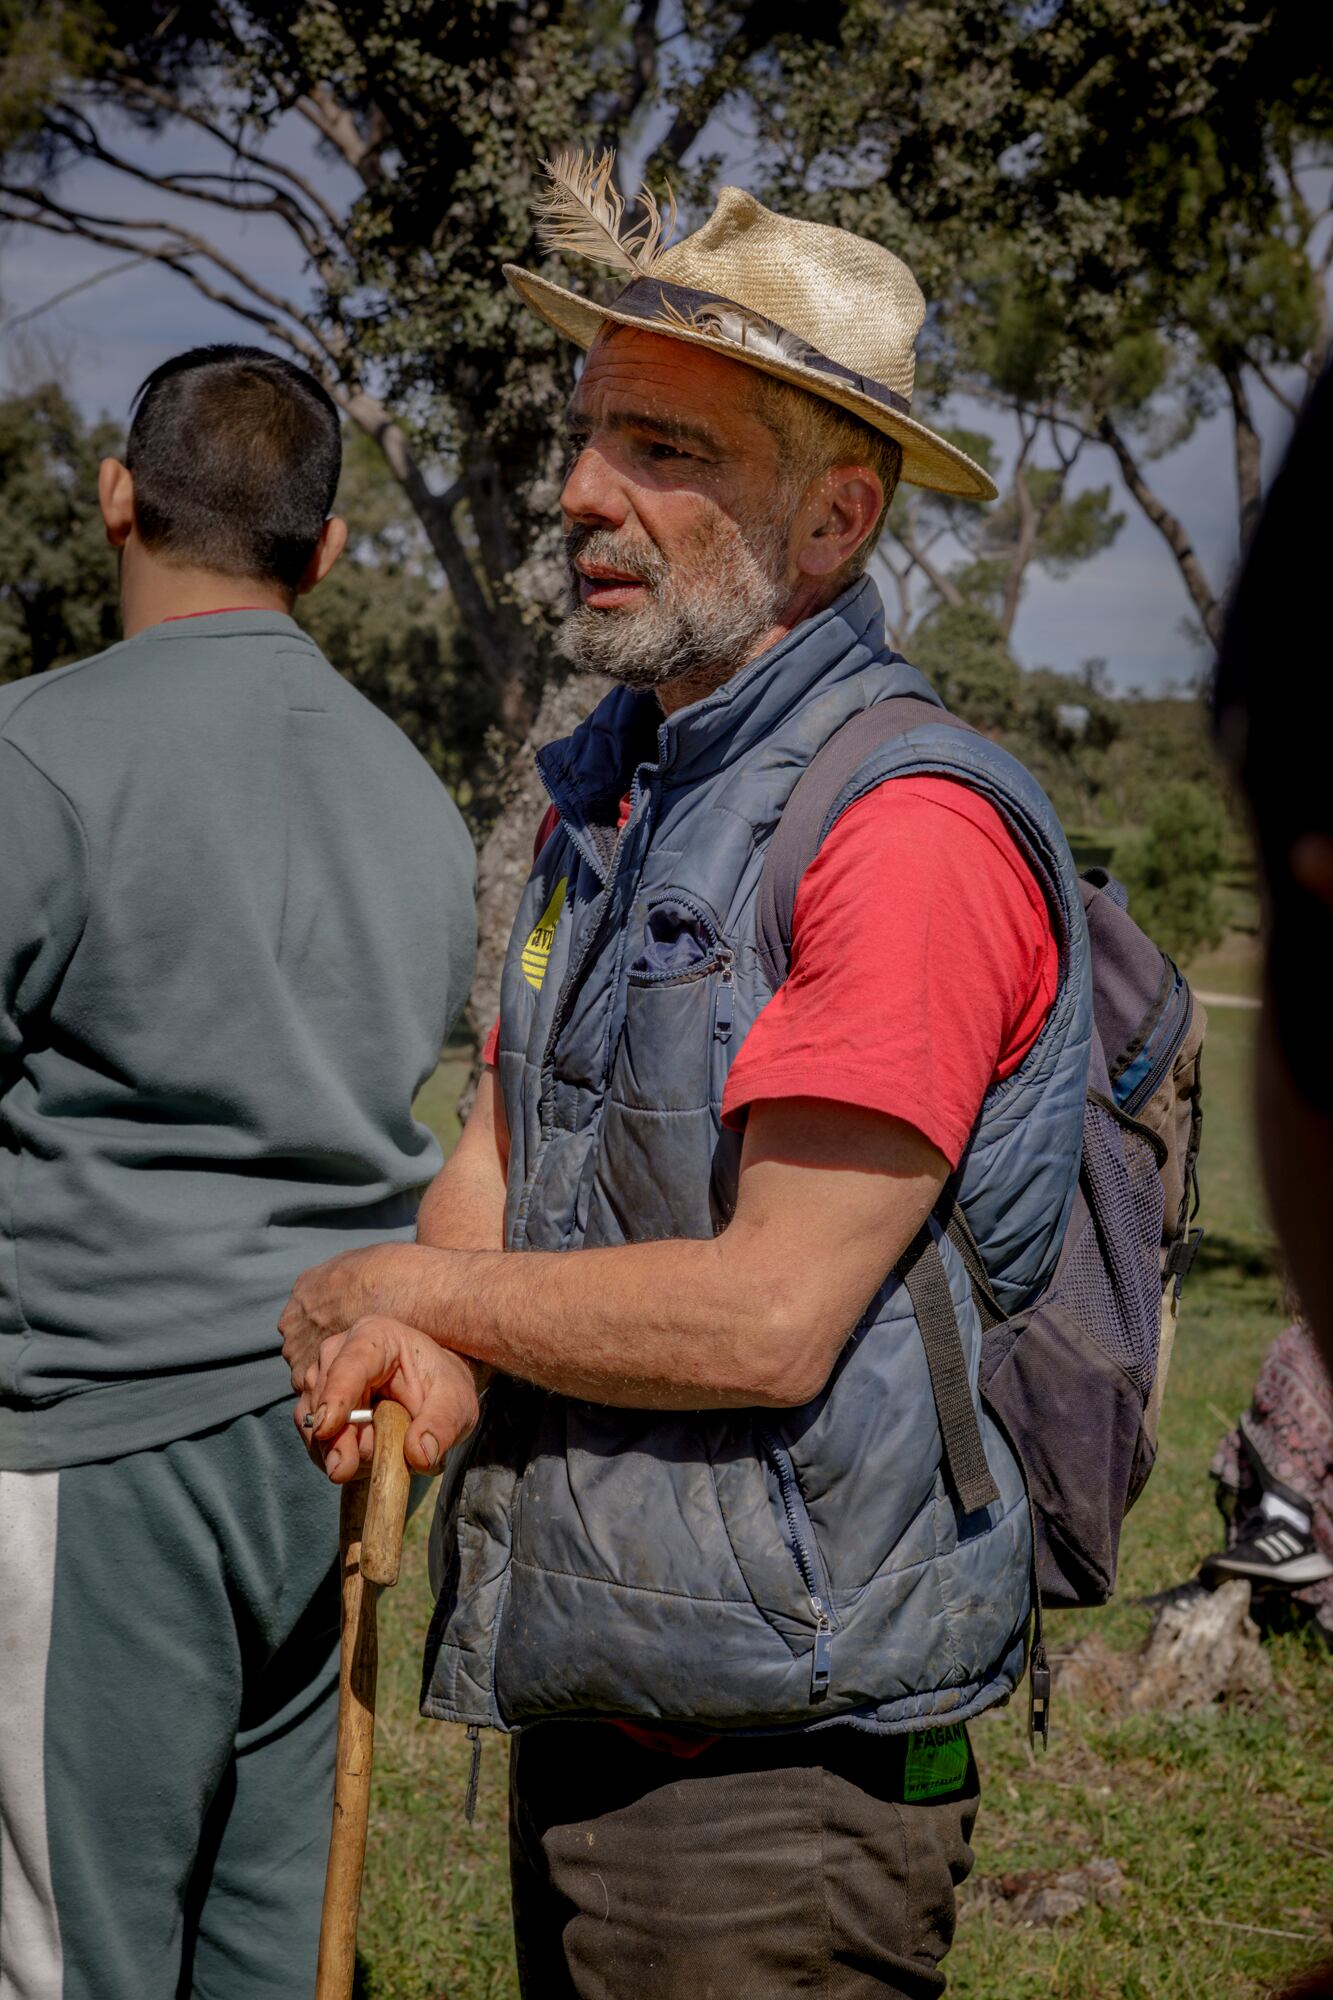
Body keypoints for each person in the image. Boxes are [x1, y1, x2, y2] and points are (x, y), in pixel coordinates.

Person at [284, 164, 1092, 1996]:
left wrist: (411, 1288)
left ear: (834, 519)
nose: (581, 491)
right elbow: (502, 1143)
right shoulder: (620, 792)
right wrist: (438, 1343)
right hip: (612, 1689)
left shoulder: (901, 828)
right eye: (589, 439)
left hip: (776, 1774)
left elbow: (768, 1319)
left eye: (665, 447)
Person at [0, 345, 475, 2000]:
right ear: (325, 551)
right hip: (336, 1435)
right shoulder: (416, 794)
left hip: (99, 1424)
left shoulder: (37, 752)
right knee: (270, 1936)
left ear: (117, 498)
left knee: (70, 1946)